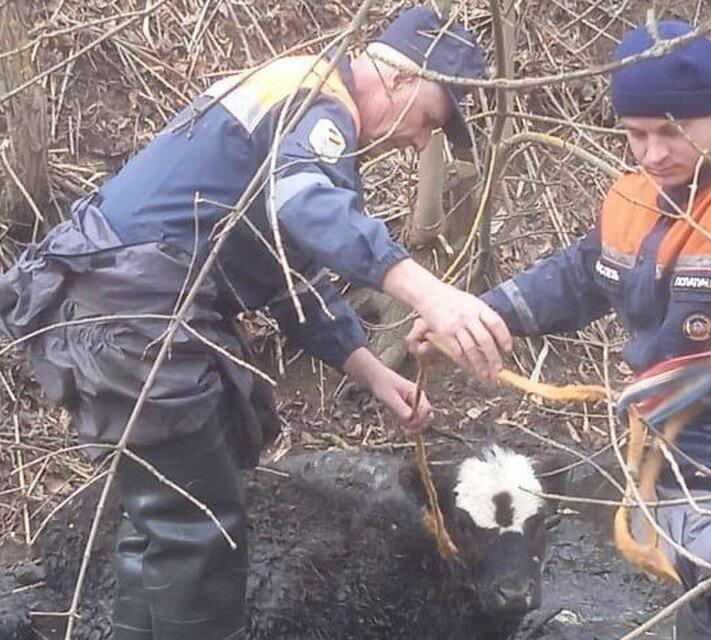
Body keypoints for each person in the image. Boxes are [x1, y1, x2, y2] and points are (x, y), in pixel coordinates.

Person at [0, 6, 512, 639]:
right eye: (430, 120)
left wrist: (375, 373)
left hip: (118, 304)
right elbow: (305, 206)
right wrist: (432, 295)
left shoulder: (291, 90)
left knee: (160, 527)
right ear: (399, 76)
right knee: (201, 533)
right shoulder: (319, 107)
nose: (419, 142)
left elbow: (287, 275)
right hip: (131, 313)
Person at [409, 19, 711, 640]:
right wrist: (479, 317)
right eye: (637, 135)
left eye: (672, 132)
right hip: (663, 453)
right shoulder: (630, 198)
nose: (654, 153)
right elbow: (576, 278)